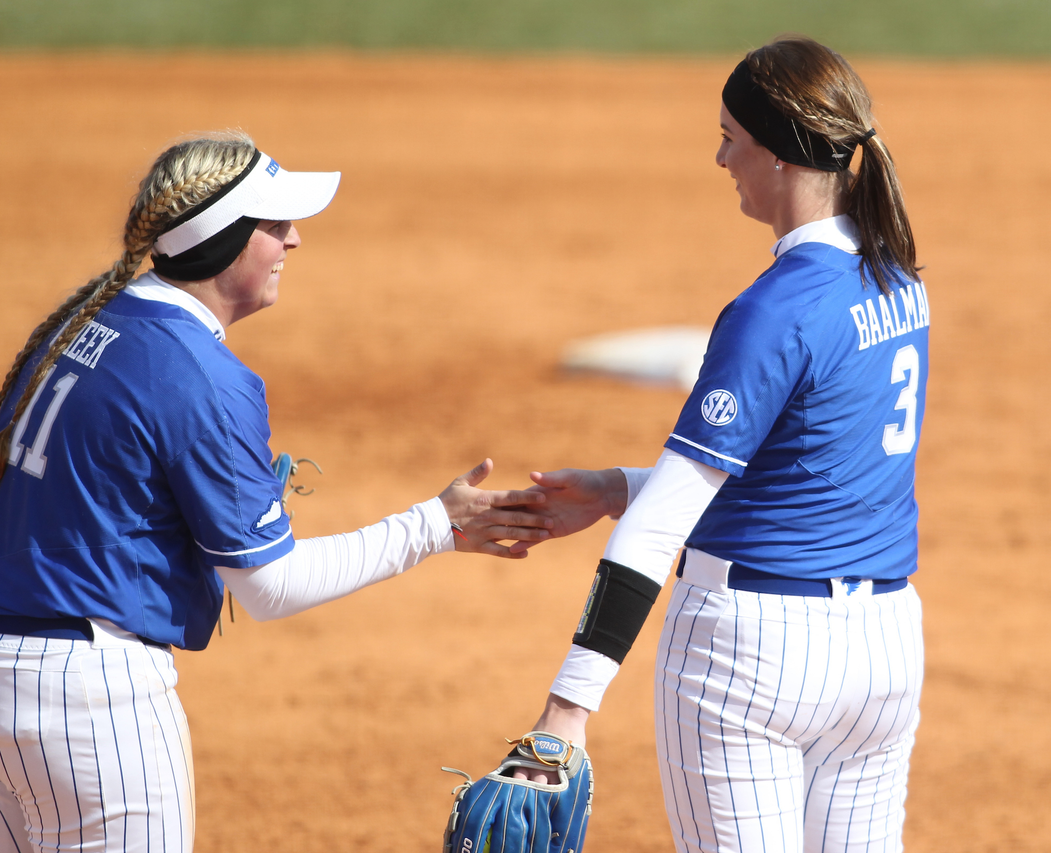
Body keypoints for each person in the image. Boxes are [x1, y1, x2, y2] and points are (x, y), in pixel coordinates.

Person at [0, 132, 552, 853]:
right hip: (92, 705)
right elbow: (269, 585)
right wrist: (434, 525)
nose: (294, 241)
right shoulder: (198, 373)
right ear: (224, 241)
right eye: (275, 226)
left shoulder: (78, 329)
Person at [513, 36, 931, 853]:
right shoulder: (898, 280)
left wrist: (569, 704)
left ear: (775, 156)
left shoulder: (773, 308)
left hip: (753, 657)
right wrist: (614, 486)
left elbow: (667, 522)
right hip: (884, 649)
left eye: (731, 138)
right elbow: (808, 473)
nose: (720, 157)